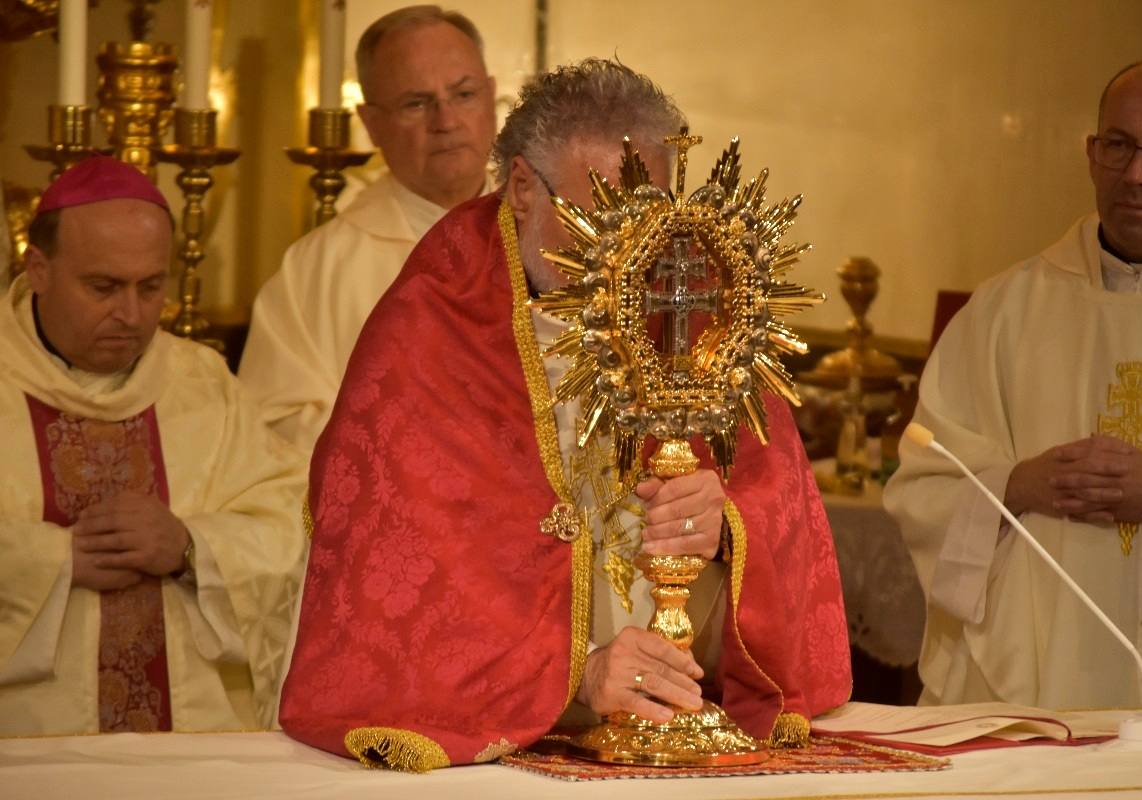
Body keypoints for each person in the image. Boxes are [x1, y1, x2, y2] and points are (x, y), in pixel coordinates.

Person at [278, 58, 851, 770]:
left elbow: (781, 503)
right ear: (522, 188)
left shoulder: (688, 289)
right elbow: (401, 579)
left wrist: (729, 523)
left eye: (649, 222)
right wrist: (577, 672)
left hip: (689, 718)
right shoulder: (432, 321)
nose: (626, 260)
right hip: (498, 740)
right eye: (598, 222)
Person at [884, 58, 1142, 709]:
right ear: (1091, 154)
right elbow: (923, 484)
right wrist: (1014, 485)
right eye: (1119, 145)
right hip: (1034, 673)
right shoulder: (1005, 311)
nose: (1136, 174)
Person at [0, 156, 309, 736]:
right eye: (103, 287)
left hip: (192, 748)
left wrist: (193, 547)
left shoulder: (203, 382)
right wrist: (52, 562)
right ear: (37, 268)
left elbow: (296, 526)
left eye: (151, 286)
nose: (133, 314)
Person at [238, 5, 498, 452]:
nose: (446, 121)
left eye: (464, 94)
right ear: (371, 124)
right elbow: (274, 427)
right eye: (416, 103)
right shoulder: (315, 272)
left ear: (492, 97)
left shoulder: (554, 241)